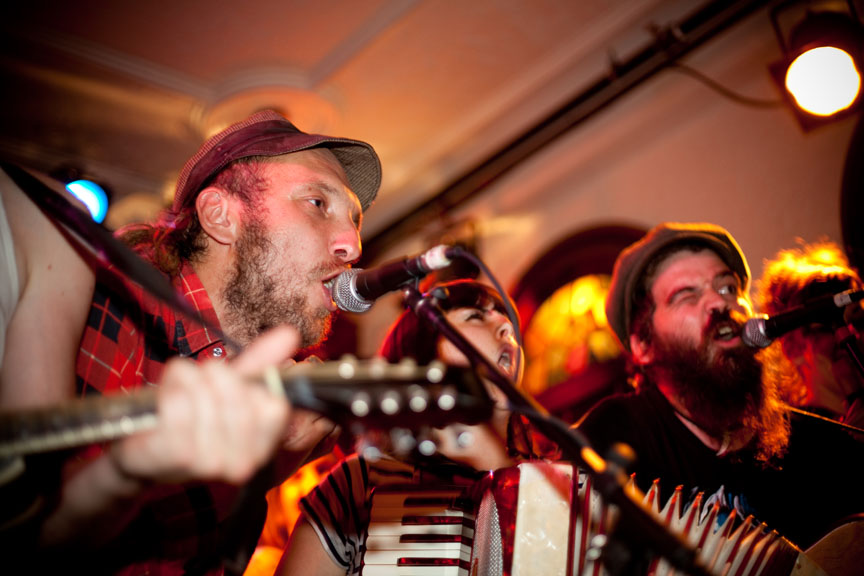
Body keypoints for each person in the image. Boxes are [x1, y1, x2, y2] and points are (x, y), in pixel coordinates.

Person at [32, 109, 383, 574]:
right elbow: (35, 537)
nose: (352, 246)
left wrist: (267, 470)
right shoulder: (112, 302)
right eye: (318, 203)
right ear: (219, 216)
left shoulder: (261, 383)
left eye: (355, 221)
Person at [575, 222, 864, 554]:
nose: (718, 302)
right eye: (687, 295)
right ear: (642, 344)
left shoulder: (820, 446)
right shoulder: (614, 438)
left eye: (727, 288)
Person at [276, 279, 532, 576]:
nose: (506, 327)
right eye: (475, 316)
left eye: (506, 321)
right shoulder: (361, 482)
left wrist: (495, 464)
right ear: (423, 350)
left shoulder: (561, 483)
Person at [756, 240, 864, 429]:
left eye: (858, 322)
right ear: (792, 348)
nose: (850, 333)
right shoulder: (789, 436)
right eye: (828, 326)